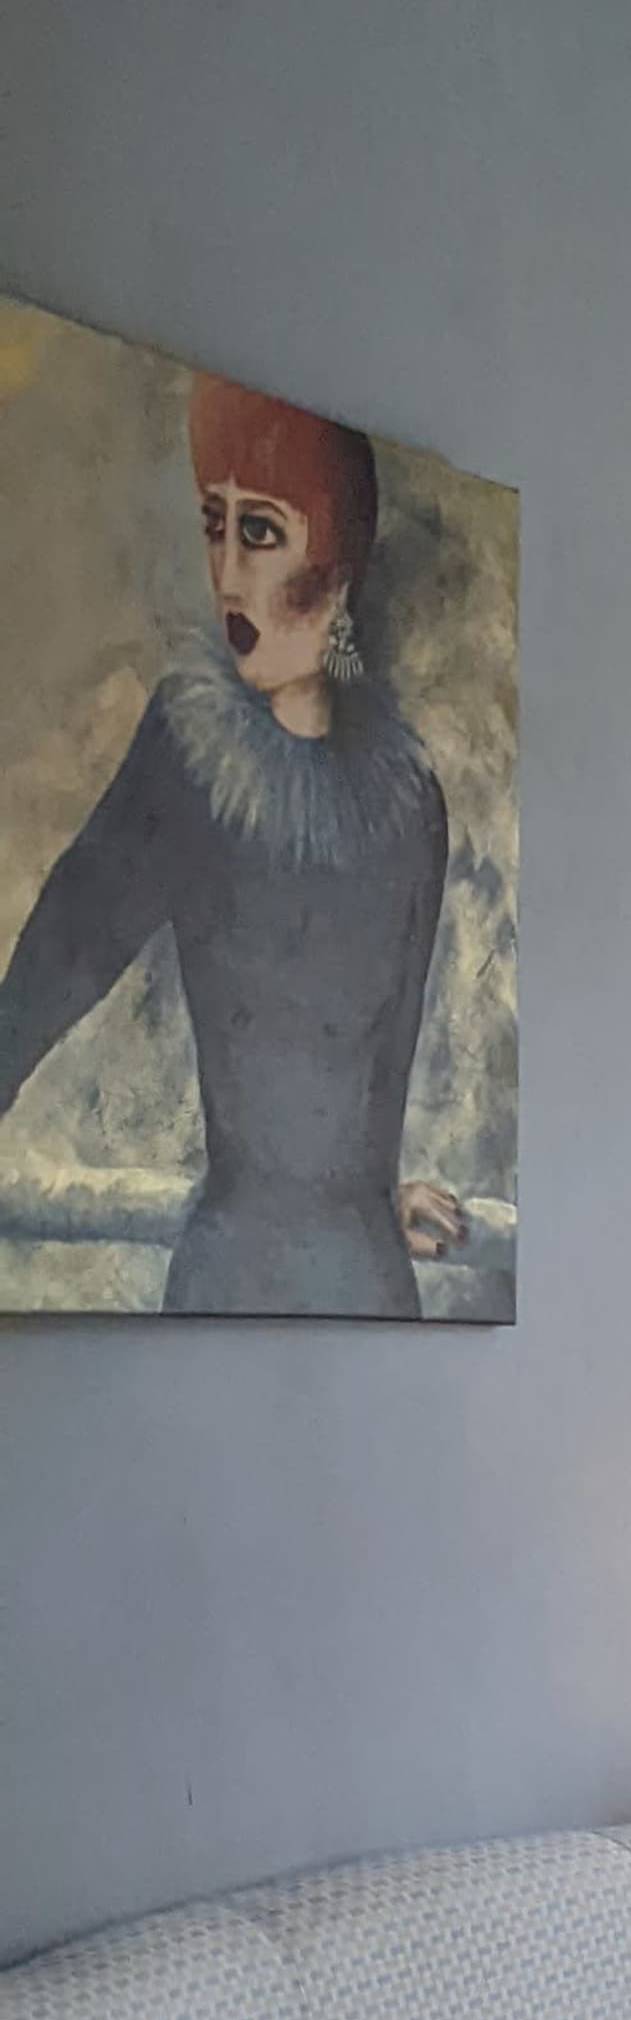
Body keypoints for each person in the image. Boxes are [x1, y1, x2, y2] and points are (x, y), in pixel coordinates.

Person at [0, 371, 462, 1314]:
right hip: (232, 1268)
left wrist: (382, 1192)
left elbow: (388, 1059)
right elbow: (71, 941)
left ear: (335, 566)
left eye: (262, 533)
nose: (227, 575)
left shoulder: (411, 804)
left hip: (370, 1278)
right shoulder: (189, 751)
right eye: (217, 526)